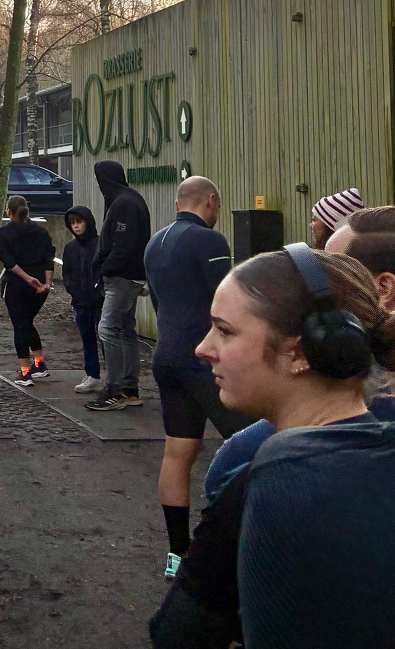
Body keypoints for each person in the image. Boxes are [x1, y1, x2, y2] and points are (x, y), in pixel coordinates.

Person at [149, 244, 395, 649]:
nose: (203, 348)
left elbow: (176, 638)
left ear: (299, 351)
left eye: (225, 330)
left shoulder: (264, 482)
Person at [201, 204, 395, 498]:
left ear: (384, 287)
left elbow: (229, 473)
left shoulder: (361, 384)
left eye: (333, 269)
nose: (315, 283)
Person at [143, 175, 251, 578]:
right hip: (204, 359)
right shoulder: (210, 242)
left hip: (166, 355)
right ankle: (237, 547)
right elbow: (226, 302)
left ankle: (177, 555)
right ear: (210, 201)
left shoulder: (156, 242)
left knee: (177, 453)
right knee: (249, 448)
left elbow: (158, 299)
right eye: (218, 207)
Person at [89, 160, 152, 410]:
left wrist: (105, 269)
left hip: (121, 277)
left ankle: (114, 390)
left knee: (108, 329)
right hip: (129, 275)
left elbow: (122, 245)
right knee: (125, 330)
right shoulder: (128, 199)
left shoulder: (123, 203)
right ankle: (129, 388)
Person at [0, 195, 55, 386]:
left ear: (9, 211)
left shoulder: (4, 234)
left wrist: (28, 279)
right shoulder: (41, 232)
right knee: (27, 322)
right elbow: (49, 258)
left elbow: (9, 262)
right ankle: (39, 363)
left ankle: (25, 371)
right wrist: (46, 283)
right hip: (39, 288)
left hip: (17, 285)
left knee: (20, 325)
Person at [60, 205, 104, 393]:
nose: (76, 227)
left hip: (100, 301)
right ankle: (92, 374)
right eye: (73, 224)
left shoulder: (101, 244)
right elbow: (67, 272)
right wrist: (73, 290)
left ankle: (113, 376)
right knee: (87, 339)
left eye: (79, 222)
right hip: (80, 301)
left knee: (106, 339)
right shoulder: (70, 248)